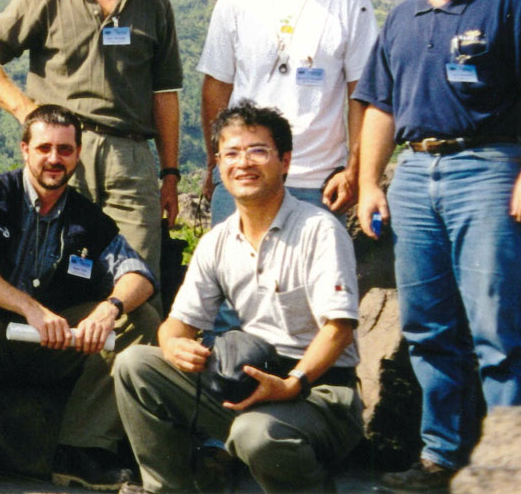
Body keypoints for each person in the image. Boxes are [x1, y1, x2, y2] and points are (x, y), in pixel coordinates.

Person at [355, 0, 521, 492]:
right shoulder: (401, 19)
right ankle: (439, 457)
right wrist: (370, 181)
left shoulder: (505, 4)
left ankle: (515, 465)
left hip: (489, 168)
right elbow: (380, 108)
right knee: (426, 327)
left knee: (497, 326)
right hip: (415, 174)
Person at [115, 102, 364, 494]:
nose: (243, 163)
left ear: (285, 161)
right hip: (246, 381)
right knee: (135, 365)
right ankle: (169, 489)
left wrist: (292, 384)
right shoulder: (218, 241)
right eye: (231, 153)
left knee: (255, 434)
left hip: (318, 391)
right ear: (218, 164)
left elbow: (339, 329)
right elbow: (176, 325)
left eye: (257, 151)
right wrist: (175, 345)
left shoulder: (319, 230)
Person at [0, 104, 158, 491]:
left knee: (141, 318)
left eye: (65, 150)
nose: (54, 159)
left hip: (57, 345)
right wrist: (29, 308)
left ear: (77, 155)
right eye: (44, 148)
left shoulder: (88, 217)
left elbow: (139, 276)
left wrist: (109, 308)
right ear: (25, 150)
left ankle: (82, 451)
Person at [0, 0, 183, 291]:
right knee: (51, 280)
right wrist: (27, 111)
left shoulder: (153, 5)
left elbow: (165, 95)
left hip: (130, 159)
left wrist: (170, 173)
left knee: (138, 283)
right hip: (61, 154)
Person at [198, 0, 377, 224]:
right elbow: (216, 88)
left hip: (319, 183)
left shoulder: (349, 1)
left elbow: (362, 93)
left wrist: (354, 169)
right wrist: (217, 162)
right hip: (243, 176)